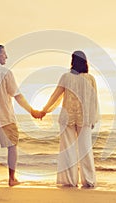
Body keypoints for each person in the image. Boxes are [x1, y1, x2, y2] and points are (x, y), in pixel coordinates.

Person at [0, 44, 43, 187]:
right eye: (4, 54)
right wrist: (32, 111)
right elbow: (17, 96)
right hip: (5, 117)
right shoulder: (5, 72)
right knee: (12, 146)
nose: (6, 57)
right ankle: (12, 179)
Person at [41, 51, 99, 187]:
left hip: (67, 118)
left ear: (73, 61)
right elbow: (94, 101)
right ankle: (89, 181)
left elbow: (55, 96)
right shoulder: (90, 78)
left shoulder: (66, 77)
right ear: (85, 62)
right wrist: (92, 119)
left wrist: (45, 110)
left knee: (67, 149)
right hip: (84, 118)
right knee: (85, 149)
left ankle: (69, 181)